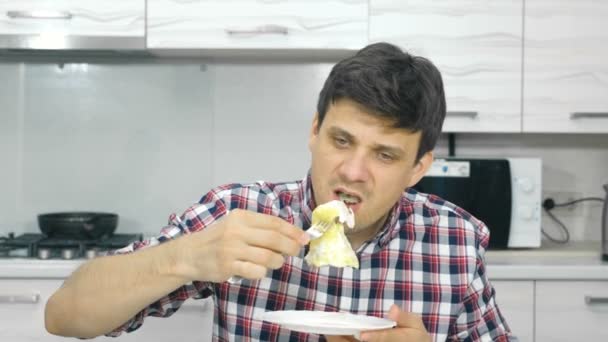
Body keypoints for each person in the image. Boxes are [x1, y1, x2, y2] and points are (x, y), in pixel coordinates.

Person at [45, 42, 515, 341]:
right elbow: (64, 316)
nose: (352, 171)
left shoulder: (454, 237)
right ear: (314, 131)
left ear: (418, 168)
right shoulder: (237, 213)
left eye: (385, 155)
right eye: (341, 140)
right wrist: (186, 257)